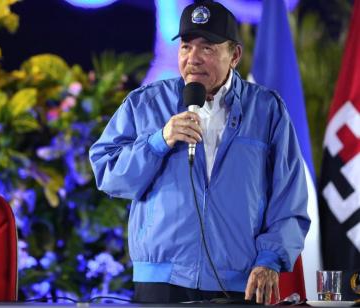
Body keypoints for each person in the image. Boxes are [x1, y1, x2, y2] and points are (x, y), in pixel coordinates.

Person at [89, 0, 310, 305]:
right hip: (161, 283)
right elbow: (109, 176)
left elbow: (290, 198)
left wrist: (269, 259)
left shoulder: (267, 110)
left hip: (239, 282)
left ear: (234, 55)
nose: (193, 59)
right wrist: (158, 141)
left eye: (207, 48)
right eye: (185, 47)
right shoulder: (145, 104)